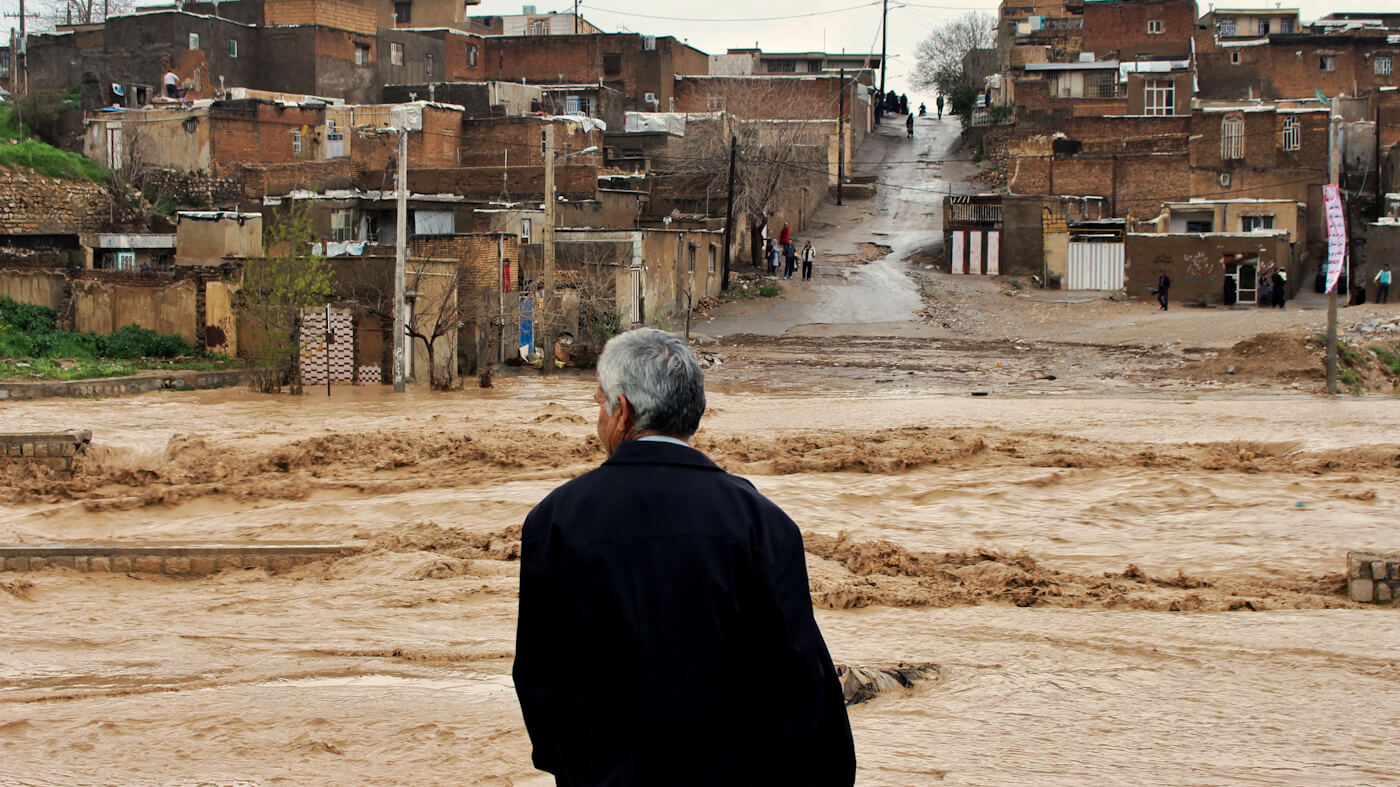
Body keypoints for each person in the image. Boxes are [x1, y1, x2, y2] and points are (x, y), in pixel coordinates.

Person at [514, 328, 856, 786]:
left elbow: (538, 672)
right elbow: (798, 672)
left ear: (623, 413)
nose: (598, 417)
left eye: (599, 403)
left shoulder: (555, 520)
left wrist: (576, 765)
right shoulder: (761, 522)